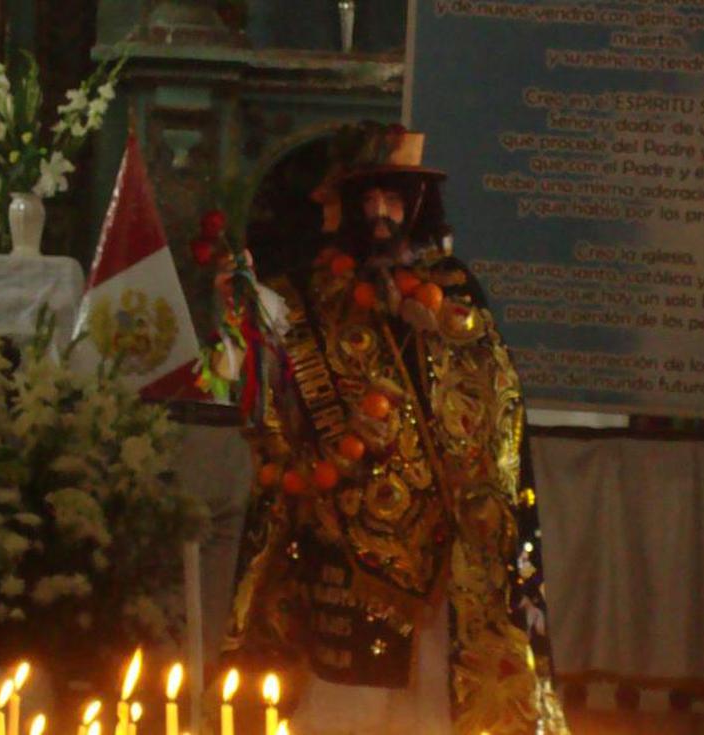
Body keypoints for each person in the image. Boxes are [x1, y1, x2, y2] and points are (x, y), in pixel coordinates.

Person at [221, 123, 569, 735]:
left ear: (416, 208)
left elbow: (496, 399)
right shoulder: (303, 296)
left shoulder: (452, 289)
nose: (383, 213)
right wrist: (236, 316)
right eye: (372, 199)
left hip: (443, 551)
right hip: (346, 543)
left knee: (431, 710)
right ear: (352, 205)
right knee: (342, 708)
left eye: (396, 200)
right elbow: (263, 392)